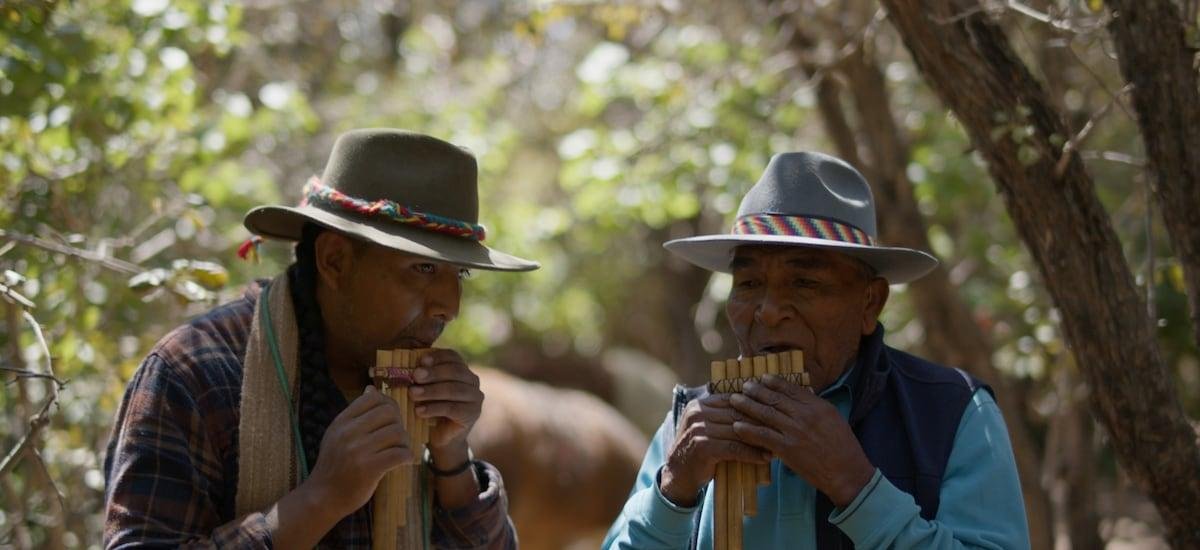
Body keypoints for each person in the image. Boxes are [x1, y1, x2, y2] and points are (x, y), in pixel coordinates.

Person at [103, 129, 538, 548]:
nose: (450, 305)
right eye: (423, 269)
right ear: (335, 261)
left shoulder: (408, 385)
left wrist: (451, 457)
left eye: (457, 273)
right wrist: (321, 498)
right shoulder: (193, 374)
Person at [603, 152, 1030, 549]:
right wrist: (673, 490)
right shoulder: (690, 422)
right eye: (749, 284)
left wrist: (858, 487)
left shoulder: (951, 412)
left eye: (804, 284)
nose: (768, 312)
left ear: (870, 303)